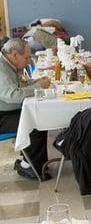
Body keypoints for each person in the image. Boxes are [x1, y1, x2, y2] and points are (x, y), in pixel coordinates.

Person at [0, 38, 52, 181]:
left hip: (8, 110)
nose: (29, 61)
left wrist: (37, 81)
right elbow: (12, 95)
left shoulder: (8, 64)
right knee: (34, 123)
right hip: (2, 116)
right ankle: (27, 165)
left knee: (40, 116)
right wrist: (38, 87)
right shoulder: (1, 68)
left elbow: (21, 84)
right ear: (14, 54)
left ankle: (36, 162)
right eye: (27, 57)